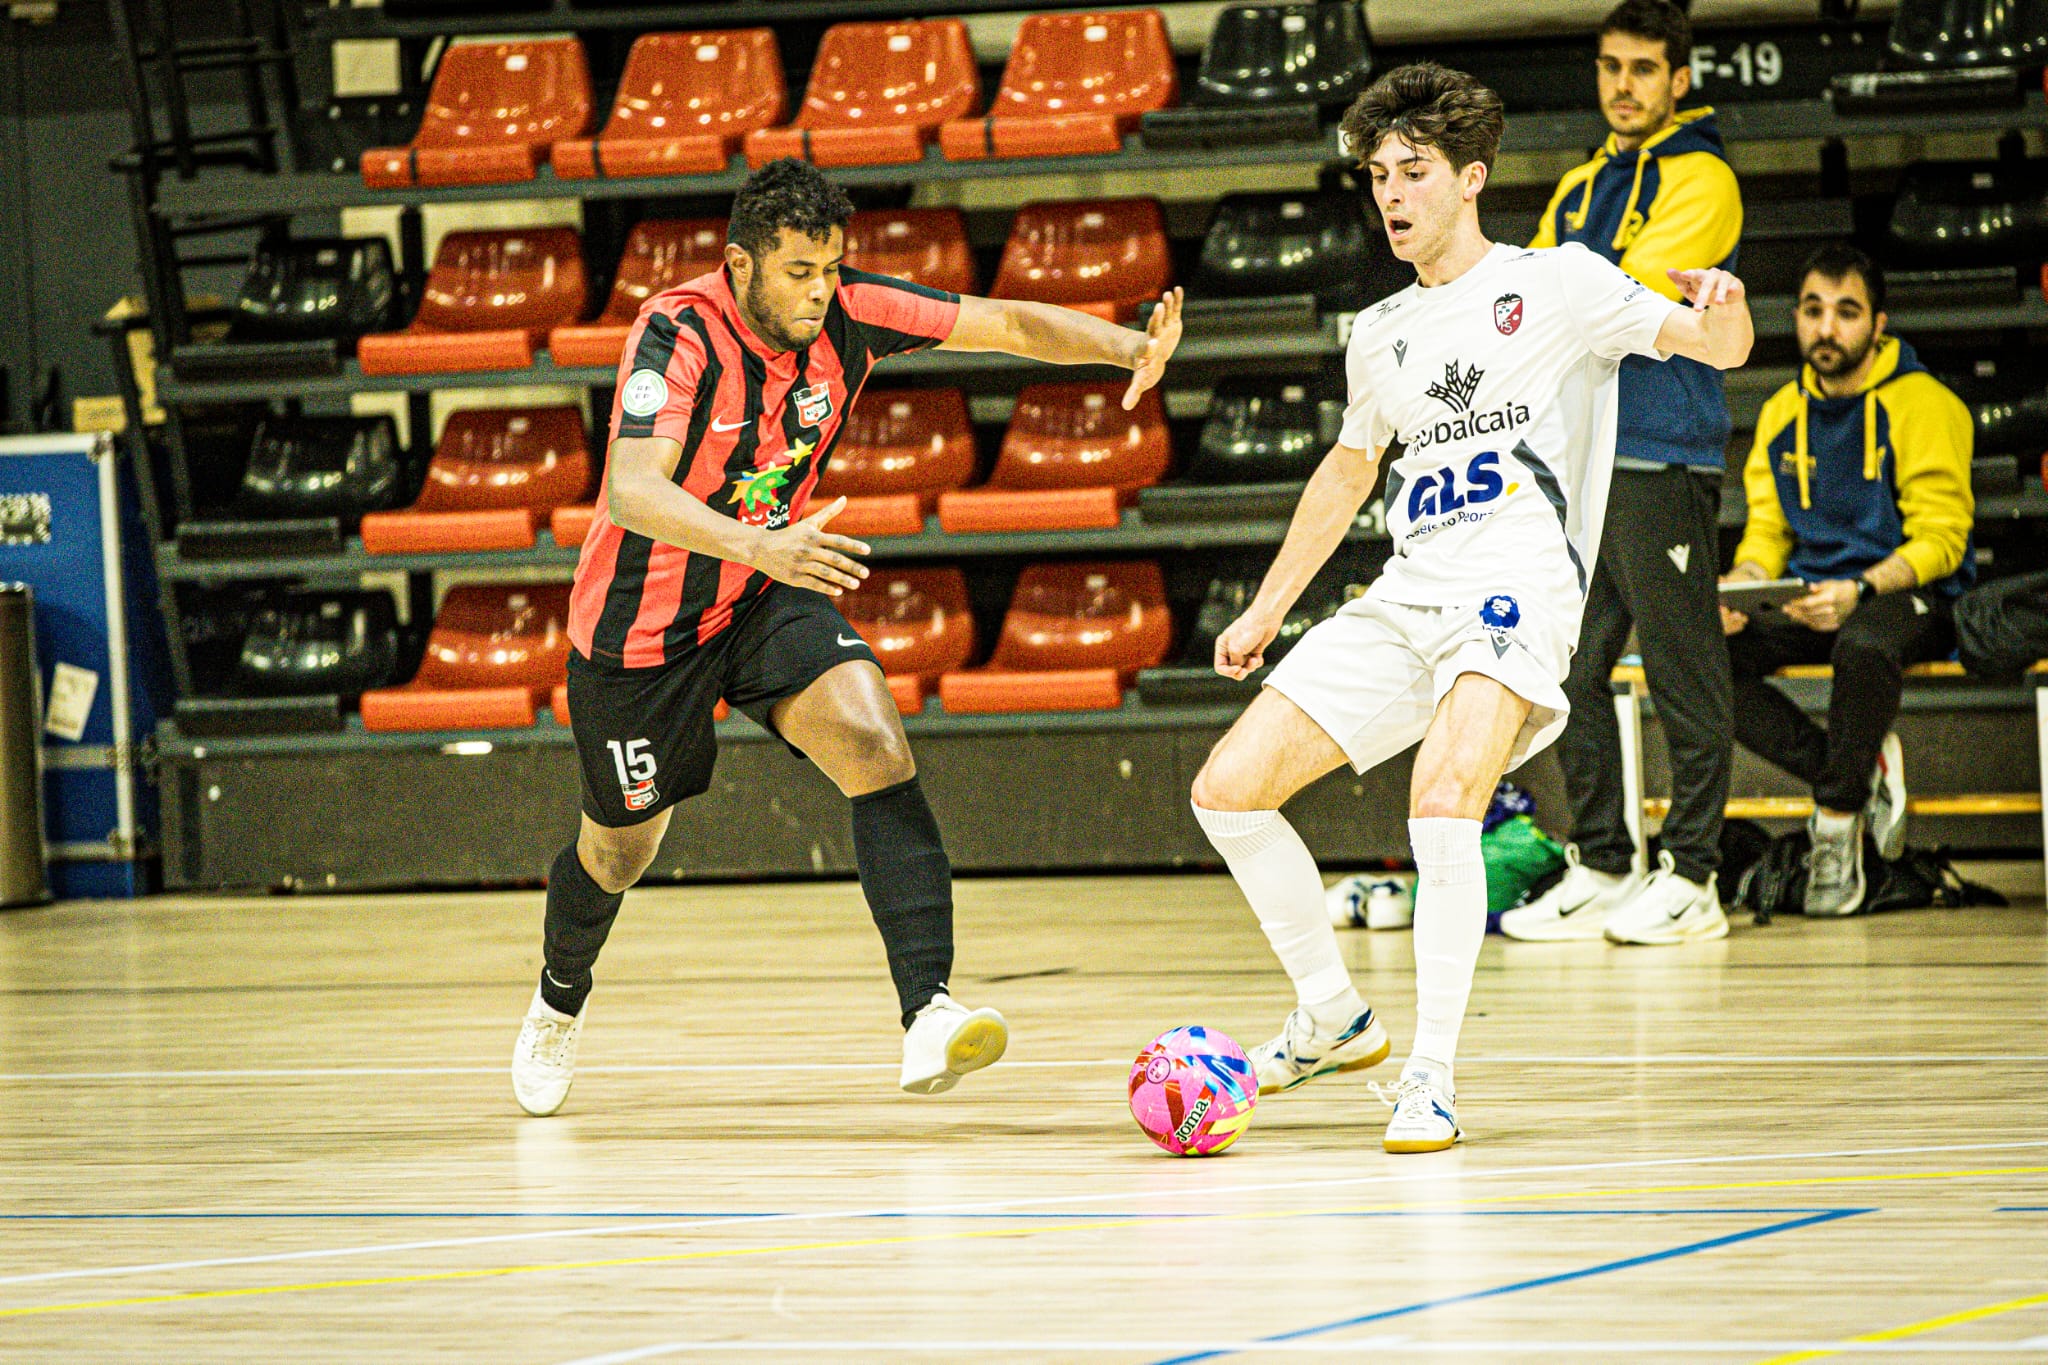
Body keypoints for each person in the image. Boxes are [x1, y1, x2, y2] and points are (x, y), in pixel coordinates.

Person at [512, 158, 1185, 1116]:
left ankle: (928, 1014)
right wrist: (763, 545)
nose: (820, 290)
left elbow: (1002, 322)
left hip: (757, 591)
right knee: (620, 850)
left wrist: (1129, 350)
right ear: (741, 265)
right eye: (798, 271)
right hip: (641, 631)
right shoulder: (677, 331)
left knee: (875, 741)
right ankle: (557, 1001)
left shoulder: (851, 312)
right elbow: (631, 488)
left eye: (831, 267)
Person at [1189, 62, 1751, 1153]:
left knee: (1441, 801)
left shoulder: (1561, 285)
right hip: (1407, 593)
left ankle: (1428, 1076)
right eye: (1376, 176)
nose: (1389, 194)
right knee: (1226, 792)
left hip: (1515, 593)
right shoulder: (1379, 329)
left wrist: (1719, 312)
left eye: (1412, 171)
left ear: (1469, 179)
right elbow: (1347, 474)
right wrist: (1265, 610)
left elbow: (1712, 349)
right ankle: (1330, 1015)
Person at [1504, 0, 1745, 947]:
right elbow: (1530, 294)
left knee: (1684, 668)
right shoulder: (1576, 184)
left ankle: (1695, 875)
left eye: (1643, 69)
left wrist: (1566, 286)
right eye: (1611, 67)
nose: (1623, 86)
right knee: (1568, 663)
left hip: (1663, 448)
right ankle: (1604, 861)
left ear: (1679, 79)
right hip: (1579, 459)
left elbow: (1619, 299)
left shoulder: (1707, 177)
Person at [1722, 244, 1973, 917]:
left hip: (1909, 594)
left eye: (1846, 312)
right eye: (1813, 310)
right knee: (1708, 654)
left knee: (1862, 644)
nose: (1826, 328)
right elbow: (1767, 535)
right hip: (1814, 595)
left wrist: (1860, 588)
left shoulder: (1924, 403)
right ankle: (1857, 766)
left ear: (1879, 323)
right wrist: (1745, 589)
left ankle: (1836, 816)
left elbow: (1944, 537)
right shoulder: (1780, 412)